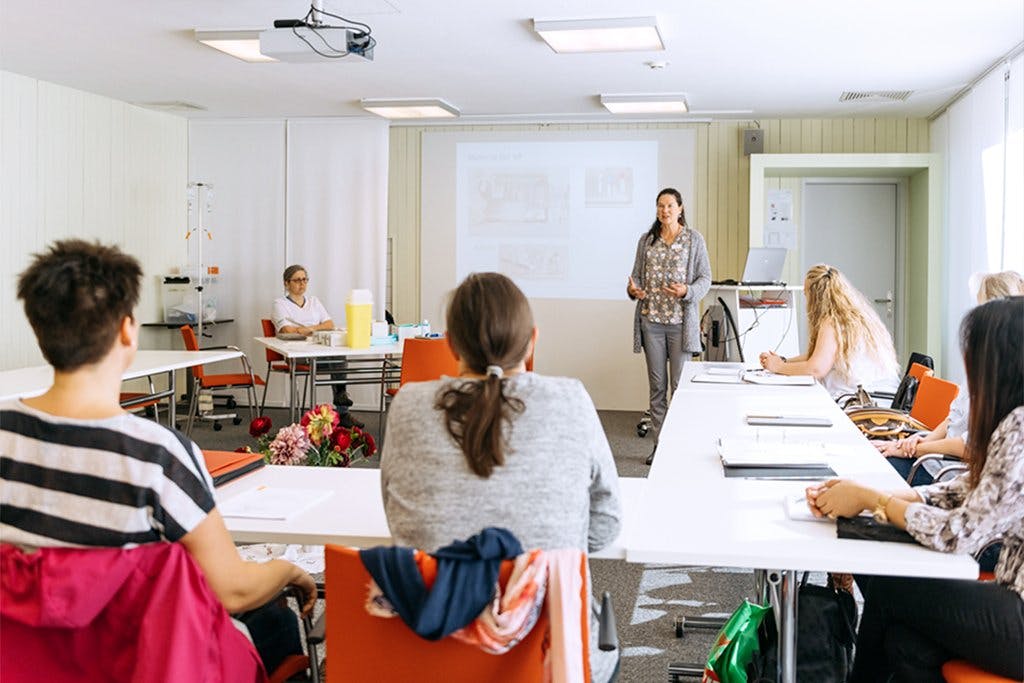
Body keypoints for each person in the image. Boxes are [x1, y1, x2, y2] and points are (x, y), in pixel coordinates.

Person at [1, 240, 316, 674]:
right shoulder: (156, 455)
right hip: (130, 659)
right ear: (128, 331)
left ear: (40, 332)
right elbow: (233, 591)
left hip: (22, 660)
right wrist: (285, 570)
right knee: (273, 610)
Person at [381, 272, 622, 683]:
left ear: (452, 344)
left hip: (429, 652)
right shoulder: (571, 400)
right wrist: (540, 555)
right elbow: (606, 525)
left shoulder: (407, 405)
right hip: (552, 656)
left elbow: (396, 517)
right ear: (532, 341)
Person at [806, 296, 1024, 682]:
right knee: (907, 643)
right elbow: (967, 490)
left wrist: (877, 501)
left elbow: (957, 531)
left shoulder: (1020, 429)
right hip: (1012, 600)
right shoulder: (1015, 421)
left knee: (893, 591)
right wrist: (899, 496)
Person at [877, 269, 1024, 485]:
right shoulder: (983, 365)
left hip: (947, 472)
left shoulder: (1006, 384)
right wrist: (919, 440)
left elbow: (970, 447)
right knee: (872, 460)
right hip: (932, 458)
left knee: (873, 473)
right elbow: (953, 419)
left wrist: (916, 449)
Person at [627, 188, 712, 465]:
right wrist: (634, 290)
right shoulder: (647, 240)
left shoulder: (693, 239)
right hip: (651, 322)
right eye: (660, 206)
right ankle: (660, 447)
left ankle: (681, 447)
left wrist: (687, 290)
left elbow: (705, 279)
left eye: (670, 205)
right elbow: (637, 278)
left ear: (680, 208)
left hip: (679, 325)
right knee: (657, 388)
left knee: (680, 387)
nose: (665, 210)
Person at [760, 264, 899, 400]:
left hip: (865, 402)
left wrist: (779, 366)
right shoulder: (856, 315)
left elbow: (816, 369)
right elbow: (819, 355)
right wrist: (783, 361)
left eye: (806, 294)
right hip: (881, 397)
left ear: (815, 297)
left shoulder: (833, 322)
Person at [272, 263, 362, 428]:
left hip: (320, 352)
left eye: (305, 279)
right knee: (336, 361)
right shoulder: (280, 304)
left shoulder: (314, 301)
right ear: (286, 283)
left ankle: (342, 407)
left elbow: (329, 324)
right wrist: (312, 329)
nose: (302, 283)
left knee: (338, 356)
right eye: (297, 280)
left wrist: (308, 329)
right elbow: (287, 329)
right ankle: (342, 406)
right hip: (297, 356)